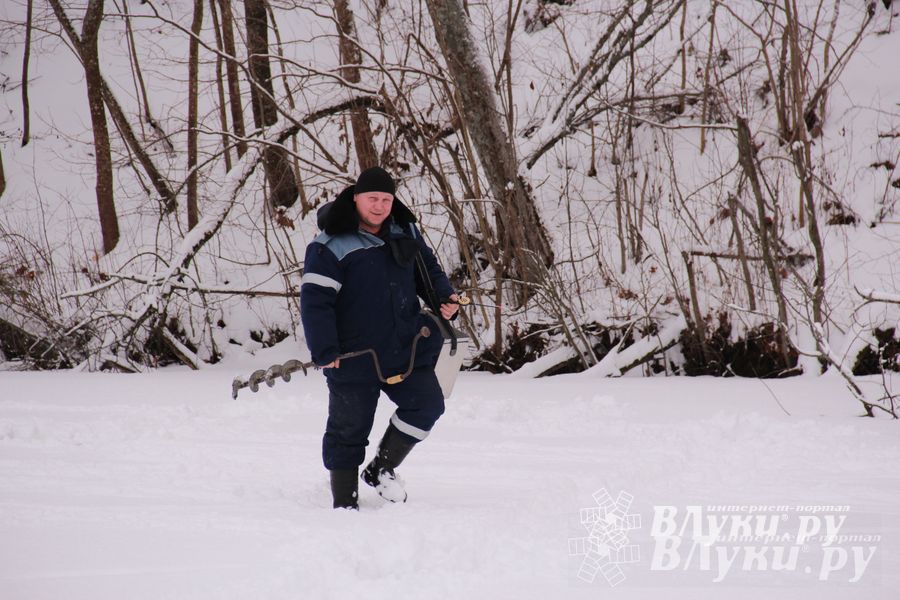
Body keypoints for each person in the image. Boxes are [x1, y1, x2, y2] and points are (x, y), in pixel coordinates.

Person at [300, 166, 459, 510]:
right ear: (356, 198)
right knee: (348, 430)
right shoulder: (330, 245)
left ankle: (381, 469)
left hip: (405, 347)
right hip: (353, 356)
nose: (380, 206)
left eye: (386, 199)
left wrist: (444, 298)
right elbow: (315, 302)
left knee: (427, 405)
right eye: (372, 198)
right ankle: (345, 504)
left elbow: (427, 268)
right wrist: (324, 348)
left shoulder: (404, 229)